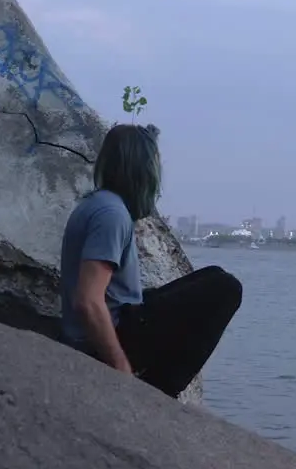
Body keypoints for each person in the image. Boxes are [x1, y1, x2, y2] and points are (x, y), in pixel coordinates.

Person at [58, 123, 242, 398]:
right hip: (105, 340)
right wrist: (120, 368)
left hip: (124, 319)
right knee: (226, 289)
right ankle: (159, 393)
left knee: (213, 275)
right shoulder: (111, 214)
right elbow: (88, 301)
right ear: (141, 169)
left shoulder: (101, 204)